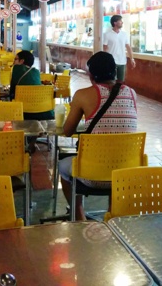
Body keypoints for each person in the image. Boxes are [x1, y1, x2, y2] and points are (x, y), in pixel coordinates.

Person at [59, 51, 138, 220]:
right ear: (115, 71)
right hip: (125, 174)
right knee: (116, 158)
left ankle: (79, 215)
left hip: (91, 175)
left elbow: (68, 131)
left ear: (91, 75)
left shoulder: (83, 95)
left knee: (62, 166)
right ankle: (112, 216)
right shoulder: (132, 94)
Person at [102, 15, 135, 82]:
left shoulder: (124, 34)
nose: (122, 22)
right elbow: (105, 48)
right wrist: (105, 61)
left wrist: (132, 59)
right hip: (112, 61)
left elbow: (128, 47)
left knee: (121, 82)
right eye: (120, 21)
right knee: (112, 81)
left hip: (122, 61)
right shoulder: (107, 34)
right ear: (115, 23)